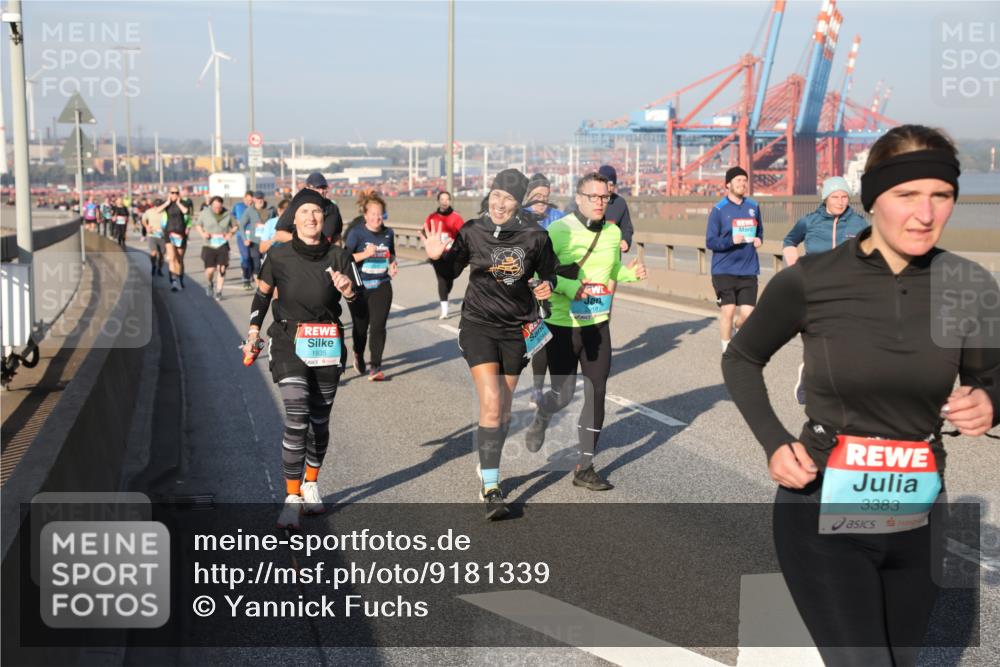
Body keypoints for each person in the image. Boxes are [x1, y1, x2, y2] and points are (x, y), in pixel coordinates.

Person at [721, 125, 1000, 667]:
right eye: (906, 196)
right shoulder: (813, 280)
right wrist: (775, 443)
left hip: (917, 515)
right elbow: (741, 358)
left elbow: (993, 375)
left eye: (941, 196)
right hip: (824, 507)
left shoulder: (968, 285)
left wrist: (990, 400)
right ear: (873, 200)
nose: (926, 214)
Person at [423, 169, 557, 521]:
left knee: (505, 410)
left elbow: (549, 273)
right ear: (490, 194)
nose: (500, 203)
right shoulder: (472, 231)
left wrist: (546, 287)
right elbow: (452, 272)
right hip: (479, 325)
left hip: (517, 328)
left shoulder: (536, 236)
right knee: (493, 401)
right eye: (496, 195)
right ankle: (492, 488)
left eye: (508, 198)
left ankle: (488, 461)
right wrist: (438, 256)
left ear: (519, 202)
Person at [241, 188, 362, 529]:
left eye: (317, 213)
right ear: (293, 219)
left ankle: (311, 484)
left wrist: (349, 291)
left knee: (319, 422)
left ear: (324, 220)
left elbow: (361, 304)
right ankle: (291, 497)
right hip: (288, 340)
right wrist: (253, 331)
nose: (311, 217)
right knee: (297, 416)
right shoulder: (278, 257)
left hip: (326, 341)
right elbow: (262, 297)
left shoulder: (339, 256)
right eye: (305, 212)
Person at [523, 172, 647, 490]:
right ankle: (543, 416)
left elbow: (611, 270)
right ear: (578, 198)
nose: (599, 203)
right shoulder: (559, 230)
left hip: (597, 324)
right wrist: (569, 286)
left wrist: (629, 274)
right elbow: (539, 272)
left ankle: (585, 467)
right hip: (563, 326)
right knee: (562, 396)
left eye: (604, 197)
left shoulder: (612, 232)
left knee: (597, 392)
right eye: (593, 197)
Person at [782, 176, 869, 404]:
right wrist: (792, 261)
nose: (841, 201)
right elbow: (789, 241)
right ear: (826, 198)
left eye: (844, 197)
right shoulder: (809, 222)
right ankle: (810, 374)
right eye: (835, 197)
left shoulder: (859, 224)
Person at [706, 166, 763, 352]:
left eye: (744, 181)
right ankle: (726, 350)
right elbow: (710, 241)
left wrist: (758, 239)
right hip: (724, 269)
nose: (742, 184)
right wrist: (730, 240)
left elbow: (759, 230)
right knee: (728, 310)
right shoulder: (719, 210)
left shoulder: (753, 207)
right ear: (727, 185)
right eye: (738, 180)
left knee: (748, 315)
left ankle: (738, 329)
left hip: (748, 268)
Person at [345, 192, 398, 381]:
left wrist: (392, 264)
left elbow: (391, 254)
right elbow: (344, 258)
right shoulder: (356, 233)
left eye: (380, 213)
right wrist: (364, 255)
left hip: (382, 286)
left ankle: (375, 367)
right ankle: (358, 353)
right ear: (365, 215)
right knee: (360, 329)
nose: (377, 217)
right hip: (360, 288)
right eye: (373, 213)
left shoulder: (388, 233)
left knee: (378, 327)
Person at [521, 174, 564, 405]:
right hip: (518, 288)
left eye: (545, 197)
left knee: (541, 339)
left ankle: (538, 388)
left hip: (545, 289)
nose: (541, 201)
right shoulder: (516, 218)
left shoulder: (558, 218)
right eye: (536, 196)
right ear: (527, 196)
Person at [566, 165, 634, 253]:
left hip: (611, 255)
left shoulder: (620, 203)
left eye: (612, 185)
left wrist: (626, 240)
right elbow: (568, 219)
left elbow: (627, 227)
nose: (609, 189)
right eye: (607, 184)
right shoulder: (584, 199)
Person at [423, 190, 465, 319]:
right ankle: (444, 311)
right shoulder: (432, 217)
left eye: (447, 199)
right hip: (437, 254)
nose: (445, 202)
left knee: (449, 279)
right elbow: (425, 232)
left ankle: (445, 295)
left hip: (451, 253)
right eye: (442, 199)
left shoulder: (456, 217)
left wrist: (456, 244)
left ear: (450, 201)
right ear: (438, 201)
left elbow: (464, 234)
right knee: (441, 279)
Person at [273, 172, 344, 245]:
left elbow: (336, 235)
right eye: (317, 188)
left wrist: (338, 253)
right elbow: (279, 235)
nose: (321, 191)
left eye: (324, 188)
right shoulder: (297, 206)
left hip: (326, 254)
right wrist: (304, 242)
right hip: (300, 253)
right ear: (307, 188)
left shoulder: (332, 208)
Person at [195, 196, 237, 300]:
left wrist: (231, 233)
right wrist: (203, 233)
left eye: (219, 207)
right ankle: (209, 283)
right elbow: (198, 225)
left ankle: (219, 292)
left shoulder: (228, 214)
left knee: (222, 269)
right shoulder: (205, 213)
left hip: (222, 244)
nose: (217, 209)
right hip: (209, 244)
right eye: (215, 207)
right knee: (210, 270)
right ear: (211, 205)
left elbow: (236, 225)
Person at [152, 187, 191, 292]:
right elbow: (157, 210)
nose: (174, 194)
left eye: (176, 193)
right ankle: (173, 281)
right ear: (169, 193)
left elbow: (186, 211)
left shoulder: (184, 203)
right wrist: (168, 202)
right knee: (172, 258)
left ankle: (180, 278)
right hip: (169, 233)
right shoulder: (166, 204)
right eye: (172, 193)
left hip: (180, 234)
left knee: (179, 259)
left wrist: (178, 203)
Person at [238, 191, 267, 289]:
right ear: (254, 199)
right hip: (254, 242)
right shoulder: (249, 210)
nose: (260, 200)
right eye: (258, 198)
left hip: (267, 242)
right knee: (257, 265)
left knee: (267, 265)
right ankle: (259, 288)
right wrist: (245, 239)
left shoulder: (271, 209)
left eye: (261, 198)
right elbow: (241, 225)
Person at [142, 197, 167, 277]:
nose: (158, 207)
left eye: (160, 205)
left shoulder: (165, 213)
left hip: (162, 236)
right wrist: (146, 226)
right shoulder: (149, 211)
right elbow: (143, 219)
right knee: (153, 252)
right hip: (152, 235)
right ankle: (153, 266)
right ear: (154, 205)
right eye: (156, 205)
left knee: (162, 254)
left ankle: (160, 269)